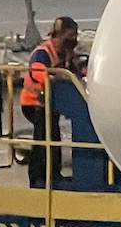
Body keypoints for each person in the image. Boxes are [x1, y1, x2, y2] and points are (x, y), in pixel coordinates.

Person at [20, 17, 78, 186]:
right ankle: (38, 178)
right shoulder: (43, 52)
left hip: (49, 104)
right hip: (34, 103)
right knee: (43, 139)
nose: (73, 39)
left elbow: (72, 70)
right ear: (61, 34)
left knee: (53, 137)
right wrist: (55, 77)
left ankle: (53, 174)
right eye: (71, 35)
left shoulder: (65, 53)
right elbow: (36, 72)